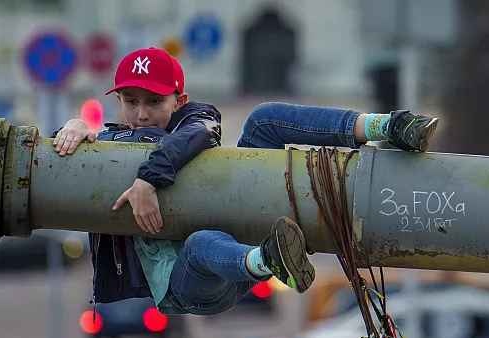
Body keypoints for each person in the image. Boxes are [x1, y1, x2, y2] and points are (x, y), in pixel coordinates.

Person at [54, 46, 439, 317]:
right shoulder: (110, 140)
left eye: (154, 102)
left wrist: (147, 180)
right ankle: (270, 261)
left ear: (179, 100)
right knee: (201, 243)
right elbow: (60, 155)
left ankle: (388, 126)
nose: (140, 114)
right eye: (130, 101)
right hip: (185, 284)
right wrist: (73, 127)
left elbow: (200, 132)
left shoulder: (197, 121)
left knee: (264, 118)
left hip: (235, 242)